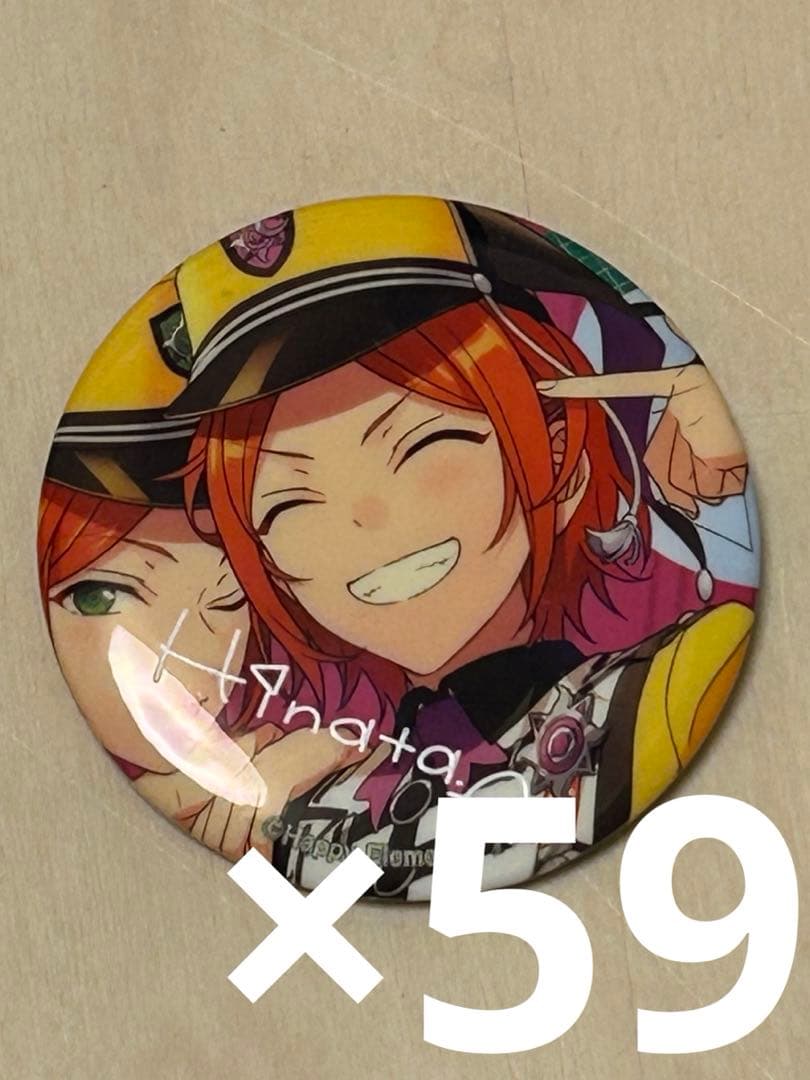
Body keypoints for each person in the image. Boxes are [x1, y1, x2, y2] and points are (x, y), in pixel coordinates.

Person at [163, 196, 755, 896]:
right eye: (288, 503)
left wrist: (727, 487)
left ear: (559, 458)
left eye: (424, 443)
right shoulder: (314, 787)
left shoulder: (666, 688)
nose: (365, 518)